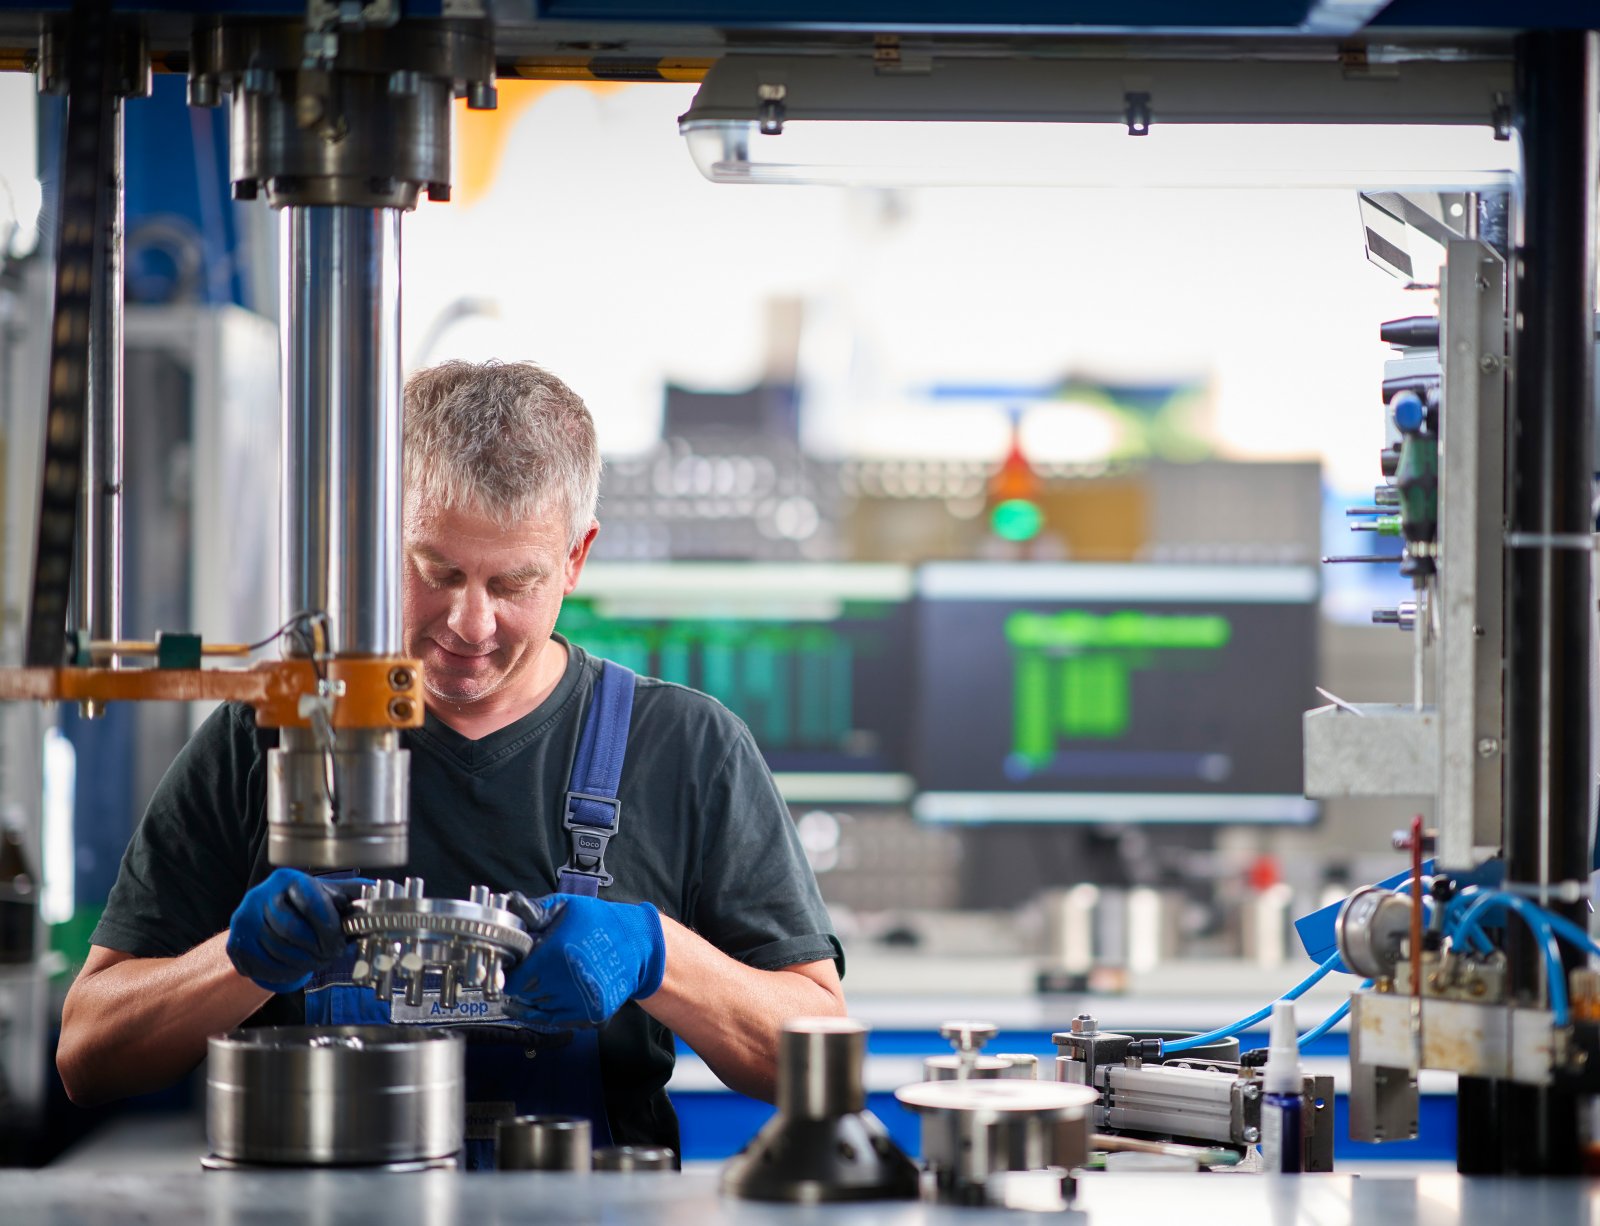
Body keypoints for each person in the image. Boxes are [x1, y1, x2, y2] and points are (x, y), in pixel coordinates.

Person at [56, 360, 845, 1163]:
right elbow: (89, 1055)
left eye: (514, 583)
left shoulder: (685, 748)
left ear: (576, 557)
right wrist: (234, 964)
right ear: (373, 537)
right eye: (436, 572)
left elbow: (817, 1053)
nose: (470, 623)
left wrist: (658, 956)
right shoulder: (270, 733)